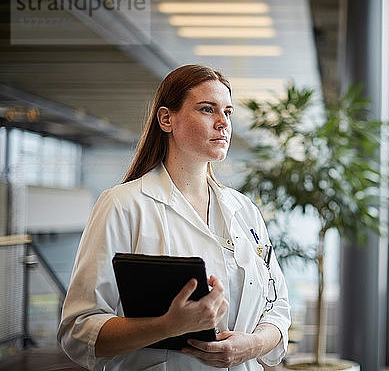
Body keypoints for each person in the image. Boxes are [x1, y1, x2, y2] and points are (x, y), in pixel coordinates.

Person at [58, 65, 291, 370]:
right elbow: (79, 330)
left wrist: (252, 345)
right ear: (167, 119)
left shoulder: (244, 209)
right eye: (208, 109)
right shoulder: (124, 205)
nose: (223, 123)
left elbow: (278, 309)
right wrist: (168, 325)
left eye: (228, 112)